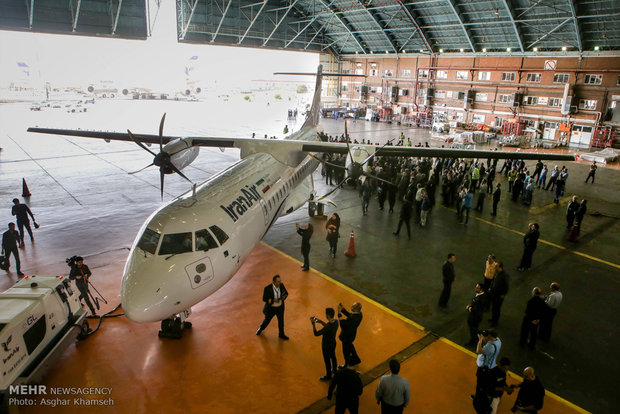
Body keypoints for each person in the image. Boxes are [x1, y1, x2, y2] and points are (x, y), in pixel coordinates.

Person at [473, 330, 502, 413]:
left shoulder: (490, 347)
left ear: (490, 336)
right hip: (490, 366)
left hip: (484, 369)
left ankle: (479, 400)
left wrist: (480, 340)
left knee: (480, 385)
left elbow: (478, 351)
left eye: (486, 336)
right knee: (483, 384)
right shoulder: (498, 341)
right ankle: (480, 397)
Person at [256, 275, 289, 339]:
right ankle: (260, 329)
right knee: (267, 320)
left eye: (280, 281)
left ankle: (281, 334)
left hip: (280, 308)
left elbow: (286, 293)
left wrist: (283, 297)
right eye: (278, 282)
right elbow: (264, 299)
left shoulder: (281, 285)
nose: (280, 283)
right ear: (274, 282)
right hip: (271, 309)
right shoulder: (267, 288)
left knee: (281, 322)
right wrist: (273, 300)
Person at [312, 307, 339, 381]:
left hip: (326, 346)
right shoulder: (336, 322)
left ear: (328, 316)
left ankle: (328, 375)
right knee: (333, 356)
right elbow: (327, 326)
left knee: (327, 361)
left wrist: (313, 324)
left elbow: (316, 333)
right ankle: (335, 370)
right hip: (333, 343)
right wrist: (320, 321)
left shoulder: (327, 327)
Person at [338, 302, 363, 367]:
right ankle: (356, 359)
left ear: (356, 309)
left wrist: (339, 315)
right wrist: (343, 310)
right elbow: (350, 315)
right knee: (350, 346)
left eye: (353, 307)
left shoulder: (352, 318)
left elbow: (343, 325)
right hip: (352, 335)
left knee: (346, 351)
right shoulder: (359, 314)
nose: (351, 307)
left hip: (346, 336)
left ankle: (346, 364)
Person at [488, 262, 509, 327]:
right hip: (494, 293)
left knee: (497, 308)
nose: (495, 267)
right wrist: (491, 287)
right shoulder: (497, 273)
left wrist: (503, 294)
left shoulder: (504, 276)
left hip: (499, 295)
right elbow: (493, 281)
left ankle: (495, 322)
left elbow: (506, 286)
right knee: (494, 307)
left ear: (500, 267)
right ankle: (493, 319)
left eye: (496, 266)